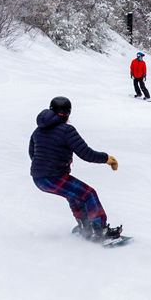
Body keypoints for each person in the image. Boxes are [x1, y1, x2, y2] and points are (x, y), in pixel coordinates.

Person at [29, 96, 122, 241]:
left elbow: (32, 153)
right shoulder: (66, 130)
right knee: (89, 194)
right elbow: (86, 154)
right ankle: (100, 231)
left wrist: (46, 166)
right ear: (68, 113)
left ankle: (85, 227)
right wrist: (107, 159)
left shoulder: (38, 130)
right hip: (54, 177)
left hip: (38, 178)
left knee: (74, 195)